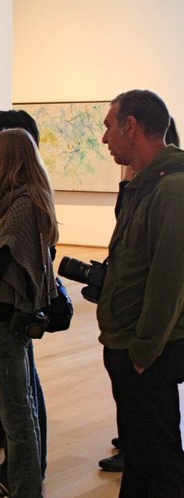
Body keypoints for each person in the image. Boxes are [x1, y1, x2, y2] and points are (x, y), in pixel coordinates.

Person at [98, 90, 184, 496]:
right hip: (130, 345)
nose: (104, 138)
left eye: (108, 126)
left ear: (130, 125)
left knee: (159, 461)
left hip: (150, 353)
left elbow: (170, 279)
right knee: (140, 455)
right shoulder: (144, 184)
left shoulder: (172, 189)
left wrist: (142, 353)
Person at [0, 110, 50, 498]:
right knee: (19, 407)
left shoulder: (20, 204)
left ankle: (24, 489)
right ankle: (20, 483)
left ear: (9, 161)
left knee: (16, 412)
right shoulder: (18, 200)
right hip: (3, 313)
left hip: (5, 314)